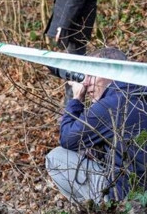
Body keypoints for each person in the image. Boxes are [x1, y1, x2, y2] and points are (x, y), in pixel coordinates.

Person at [45, 47, 147, 205]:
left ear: (112, 71)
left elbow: (67, 139)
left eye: (91, 74)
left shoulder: (110, 105)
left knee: (56, 157)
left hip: (126, 196)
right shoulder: (139, 91)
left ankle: (98, 210)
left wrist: (76, 98)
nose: (86, 82)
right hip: (141, 188)